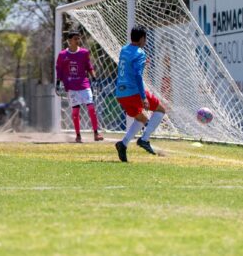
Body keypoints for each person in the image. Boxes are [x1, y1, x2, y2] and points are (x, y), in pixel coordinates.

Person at [114, 26, 167, 162]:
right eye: (145, 38)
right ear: (142, 38)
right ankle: (144, 139)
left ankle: (123, 144)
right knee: (161, 109)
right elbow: (138, 75)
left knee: (141, 118)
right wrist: (143, 97)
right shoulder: (140, 53)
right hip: (133, 92)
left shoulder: (124, 50)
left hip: (120, 93)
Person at [55, 30, 103, 143]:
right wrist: (58, 83)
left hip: (84, 84)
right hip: (71, 86)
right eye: (75, 38)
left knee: (91, 108)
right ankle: (78, 135)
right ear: (69, 40)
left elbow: (89, 66)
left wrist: (95, 79)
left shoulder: (84, 52)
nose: (78, 40)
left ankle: (96, 133)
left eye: (78, 38)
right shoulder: (62, 55)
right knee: (75, 112)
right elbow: (59, 70)